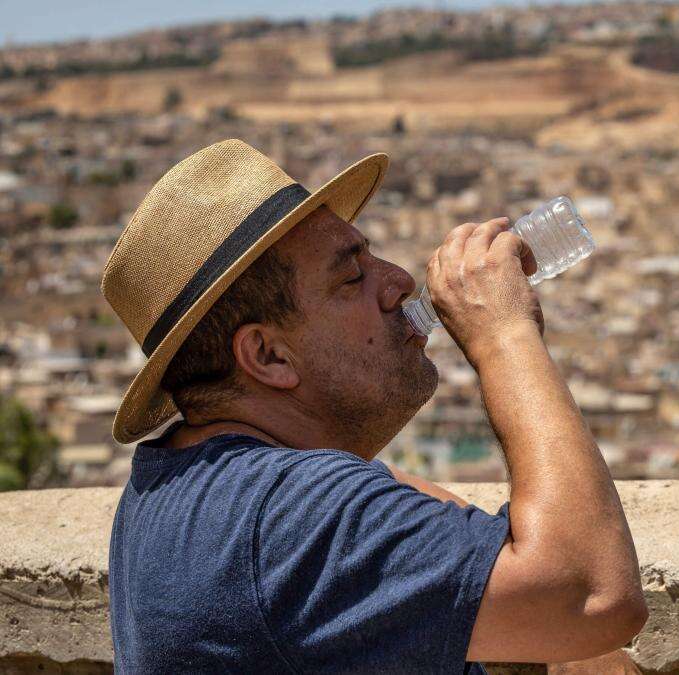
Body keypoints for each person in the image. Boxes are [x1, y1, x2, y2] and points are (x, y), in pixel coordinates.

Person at [101, 139, 647, 673]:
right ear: (268, 355)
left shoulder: (175, 493)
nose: (400, 281)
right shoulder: (289, 518)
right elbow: (592, 594)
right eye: (351, 277)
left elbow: (392, 500)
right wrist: (504, 335)